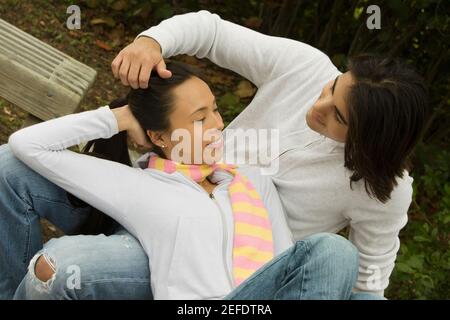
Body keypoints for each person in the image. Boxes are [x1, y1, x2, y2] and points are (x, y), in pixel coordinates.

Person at [110, 10, 428, 297]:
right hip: (169, 214)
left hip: (241, 282)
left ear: (369, 140)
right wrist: (152, 42)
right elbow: (212, 33)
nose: (318, 107)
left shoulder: (384, 188)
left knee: (335, 252)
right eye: (332, 87)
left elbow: (369, 282)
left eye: (339, 117)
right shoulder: (305, 66)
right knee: (72, 259)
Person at [3, 62, 365, 300]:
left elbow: (284, 258)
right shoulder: (137, 185)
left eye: (216, 110)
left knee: (335, 251)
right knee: (334, 249)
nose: (218, 124)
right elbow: (25, 145)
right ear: (160, 136)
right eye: (199, 119)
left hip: (256, 300)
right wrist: (121, 116)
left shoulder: (252, 178)